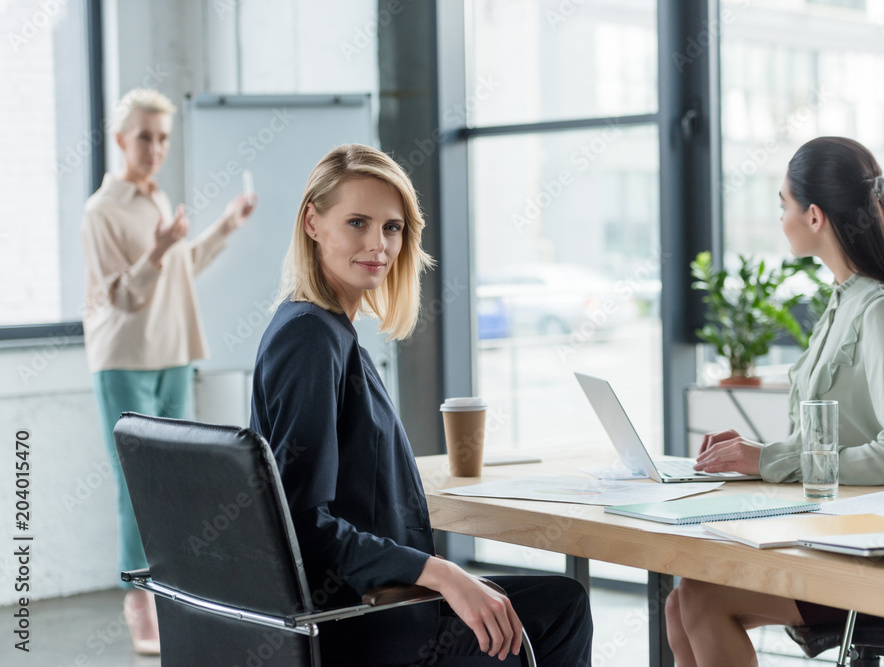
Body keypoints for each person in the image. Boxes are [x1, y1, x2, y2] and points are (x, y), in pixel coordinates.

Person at [249, 144, 593, 665]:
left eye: (392, 227)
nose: (378, 245)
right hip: (361, 623)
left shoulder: (322, 330)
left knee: (559, 602)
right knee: (558, 609)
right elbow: (299, 523)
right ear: (313, 223)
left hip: (367, 604)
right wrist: (443, 573)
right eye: (358, 222)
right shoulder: (310, 340)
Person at [665, 136, 884, 666]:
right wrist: (755, 455)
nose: (781, 217)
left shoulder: (882, 308)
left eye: (784, 204)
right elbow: (832, 439)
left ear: (814, 216)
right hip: (834, 529)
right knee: (681, 599)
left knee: (701, 599)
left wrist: (772, 460)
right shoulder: (842, 300)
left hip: (882, 549)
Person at [81, 88, 256, 655]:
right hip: (126, 358)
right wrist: (155, 252)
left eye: (163, 139)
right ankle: (140, 601)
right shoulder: (102, 210)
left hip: (174, 353)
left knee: (176, 482)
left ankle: (170, 593)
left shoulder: (158, 200)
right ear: (120, 140)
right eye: (145, 138)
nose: (155, 149)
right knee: (138, 485)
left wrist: (225, 226)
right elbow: (124, 298)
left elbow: (180, 269)